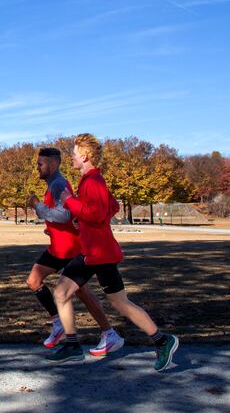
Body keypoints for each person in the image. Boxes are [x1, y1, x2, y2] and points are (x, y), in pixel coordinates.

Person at [47, 134, 178, 371]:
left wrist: (70, 201)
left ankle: (163, 340)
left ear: (84, 156)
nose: (72, 157)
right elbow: (111, 207)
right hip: (90, 252)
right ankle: (72, 345)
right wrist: (81, 221)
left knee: (120, 303)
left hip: (101, 253)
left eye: (74, 153)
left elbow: (97, 213)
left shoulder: (94, 181)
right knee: (61, 292)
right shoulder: (90, 180)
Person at [28, 148, 124, 355]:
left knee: (81, 292)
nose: (37, 167)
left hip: (69, 248)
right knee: (34, 281)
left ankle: (107, 333)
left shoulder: (58, 184)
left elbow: (64, 214)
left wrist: (37, 206)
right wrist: (51, 229)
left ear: (53, 165)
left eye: (40, 164)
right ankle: (59, 323)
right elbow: (64, 217)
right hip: (58, 246)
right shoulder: (53, 184)